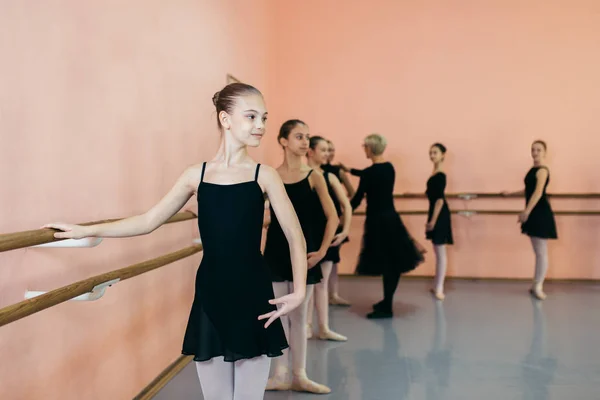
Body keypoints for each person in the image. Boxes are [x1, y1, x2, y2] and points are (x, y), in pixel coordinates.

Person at [42, 83, 307, 400]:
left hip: (254, 295)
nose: (261, 126)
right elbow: (148, 221)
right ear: (225, 119)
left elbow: (295, 235)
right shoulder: (196, 175)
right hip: (211, 295)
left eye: (263, 117)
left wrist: (300, 291)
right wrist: (88, 230)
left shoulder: (264, 175)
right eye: (251, 117)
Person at [263, 120, 338, 394]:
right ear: (283, 141)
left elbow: (333, 217)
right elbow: (252, 210)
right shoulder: (270, 176)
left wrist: (322, 251)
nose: (305, 142)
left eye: (307, 137)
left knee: (299, 315)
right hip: (275, 252)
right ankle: (280, 373)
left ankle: (300, 374)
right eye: (299, 136)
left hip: (305, 255)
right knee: (277, 314)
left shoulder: (315, 176)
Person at [342, 133, 425, 319]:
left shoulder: (370, 174)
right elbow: (369, 174)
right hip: (392, 219)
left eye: (364, 147)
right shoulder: (389, 168)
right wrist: (349, 170)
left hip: (377, 223)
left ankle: (387, 306)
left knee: (387, 264)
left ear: (370, 149)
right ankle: (387, 300)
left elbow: (357, 199)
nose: (364, 149)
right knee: (393, 263)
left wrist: (342, 216)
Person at [305, 136, 351, 341]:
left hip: (328, 235)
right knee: (306, 284)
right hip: (308, 235)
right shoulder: (302, 175)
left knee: (321, 284)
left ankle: (323, 327)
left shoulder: (330, 176)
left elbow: (346, 206)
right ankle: (306, 325)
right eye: (322, 150)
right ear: (311, 151)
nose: (326, 154)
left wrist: (345, 230)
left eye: (327, 150)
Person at [502, 140, 557, 300]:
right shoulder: (533, 170)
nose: (535, 152)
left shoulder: (542, 171)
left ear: (545, 153)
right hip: (534, 212)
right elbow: (528, 190)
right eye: (533, 149)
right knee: (538, 251)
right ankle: (535, 284)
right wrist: (510, 194)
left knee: (541, 252)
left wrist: (526, 211)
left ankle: (538, 285)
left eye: (539, 150)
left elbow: (538, 192)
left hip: (540, 212)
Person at [322, 139, 353, 306]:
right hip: (318, 220)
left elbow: (351, 193)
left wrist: (345, 212)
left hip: (335, 221)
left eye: (331, 150)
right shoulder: (312, 172)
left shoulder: (336, 172)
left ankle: (332, 294)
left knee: (332, 259)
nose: (329, 153)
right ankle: (322, 294)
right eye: (326, 150)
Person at [425, 143, 453, 300]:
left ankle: (439, 288)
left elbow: (439, 200)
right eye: (430, 153)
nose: (432, 155)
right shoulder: (434, 173)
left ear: (443, 155)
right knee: (437, 251)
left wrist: (433, 221)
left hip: (439, 215)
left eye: (435, 152)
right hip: (435, 213)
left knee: (441, 253)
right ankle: (437, 285)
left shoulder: (441, 174)